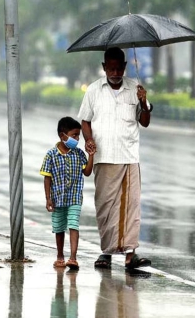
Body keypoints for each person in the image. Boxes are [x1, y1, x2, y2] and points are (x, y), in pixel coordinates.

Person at [77, 47, 153, 270]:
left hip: (128, 156)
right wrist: (89, 140)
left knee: (130, 207)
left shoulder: (135, 89)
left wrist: (143, 101)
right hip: (103, 156)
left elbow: (145, 121)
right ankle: (106, 253)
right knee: (105, 206)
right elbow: (85, 121)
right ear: (104, 68)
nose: (115, 72)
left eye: (119, 67)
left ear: (125, 66)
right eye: (111, 68)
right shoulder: (93, 90)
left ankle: (131, 254)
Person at [40, 116, 95, 270]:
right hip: (58, 198)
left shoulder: (79, 154)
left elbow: (88, 172)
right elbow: (47, 178)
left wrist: (91, 155)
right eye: (74, 135)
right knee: (59, 228)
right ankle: (60, 256)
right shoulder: (51, 155)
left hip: (75, 197)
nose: (77, 138)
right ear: (62, 135)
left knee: (73, 224)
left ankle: (73, 257)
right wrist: (48, 198)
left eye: (78, 135)